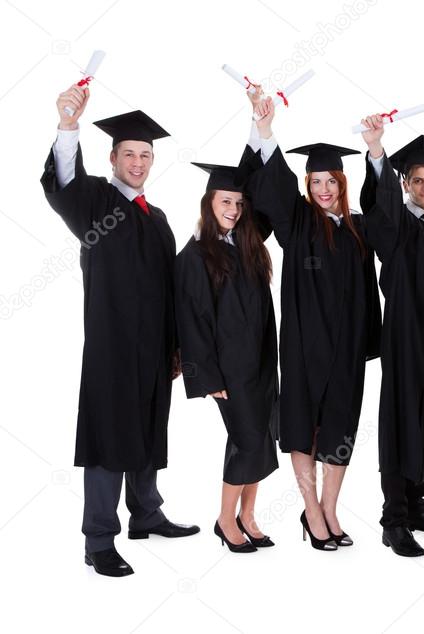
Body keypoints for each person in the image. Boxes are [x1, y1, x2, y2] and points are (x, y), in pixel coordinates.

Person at [42, 86, 197, 577]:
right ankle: (99, 539)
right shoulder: (94, 203)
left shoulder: (161, 221)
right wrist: (69, 124)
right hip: (111, 350)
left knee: (149, 428)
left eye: (145, 154)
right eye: (129, 153)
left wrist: (176, 347)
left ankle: (146, 515)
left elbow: (172, 288)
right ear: (112, 157)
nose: (137, 161)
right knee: (109, 437)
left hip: (153, 350)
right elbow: (63, 181)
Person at [245, 94, 382, 551]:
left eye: (332, 181)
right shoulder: (298, 221)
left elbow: (386, 225)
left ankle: (328, 508)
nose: (324, 188)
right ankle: (310, 508)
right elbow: (275, 190)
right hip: (304, 346)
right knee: (304, 424)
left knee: (341, 425)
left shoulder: (360, 229)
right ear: (307, 184)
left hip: (346, 348)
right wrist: (265, 130)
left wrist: (376, 149)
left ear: (343, 183)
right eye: (316, 180)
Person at [359, 117, 424, 557]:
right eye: (417, 180)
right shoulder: (396, 224)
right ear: (404, 183)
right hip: (404, 344)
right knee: (401, 427)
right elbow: (378, 206)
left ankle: (417, 506)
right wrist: (377, 150)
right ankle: (394, 520)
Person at [175, 161, 279, 553]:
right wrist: (209, 376)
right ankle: (224, 518)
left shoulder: (246, 243)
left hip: (262, 364)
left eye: (238, 202)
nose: (233, 209)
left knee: (262, 438)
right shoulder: (196, 254)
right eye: (225, 201)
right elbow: (192, 320)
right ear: (209, 202)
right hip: (230, 370)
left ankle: (248, 516)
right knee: (246, 439)